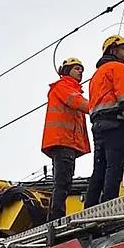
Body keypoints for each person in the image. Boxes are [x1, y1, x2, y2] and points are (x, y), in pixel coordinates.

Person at [84, 35, 124, 208]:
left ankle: (90, 206)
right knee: (114, 167)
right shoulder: (118, 68)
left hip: (98, 126)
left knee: (99, 169)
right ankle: (108, 205)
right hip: (116, 124)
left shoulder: (96, 76)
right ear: (113, 50)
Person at [41, 57, 90, 222]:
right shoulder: (63, 87)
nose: (80, 72)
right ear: (67, 70)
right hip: (62, 142)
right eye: (77, 68)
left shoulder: (70, 89)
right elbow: (77, 102)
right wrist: (99, 108)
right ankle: (55, 219)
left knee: (64, 182)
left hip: (66, 143)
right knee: (62, 183)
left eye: (81, 69)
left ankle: (56, 217)